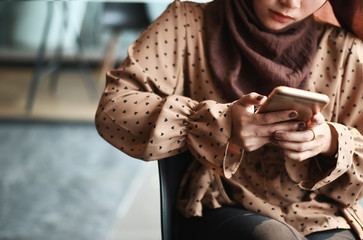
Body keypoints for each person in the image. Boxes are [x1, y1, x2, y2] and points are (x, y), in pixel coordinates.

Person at [95, 0, 363, 239]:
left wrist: (332, 141)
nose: (290, 3)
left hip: (318, 210)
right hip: (220, 200)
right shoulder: (186, 24)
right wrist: (221, 124)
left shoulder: (347, 51)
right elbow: (114, 109)